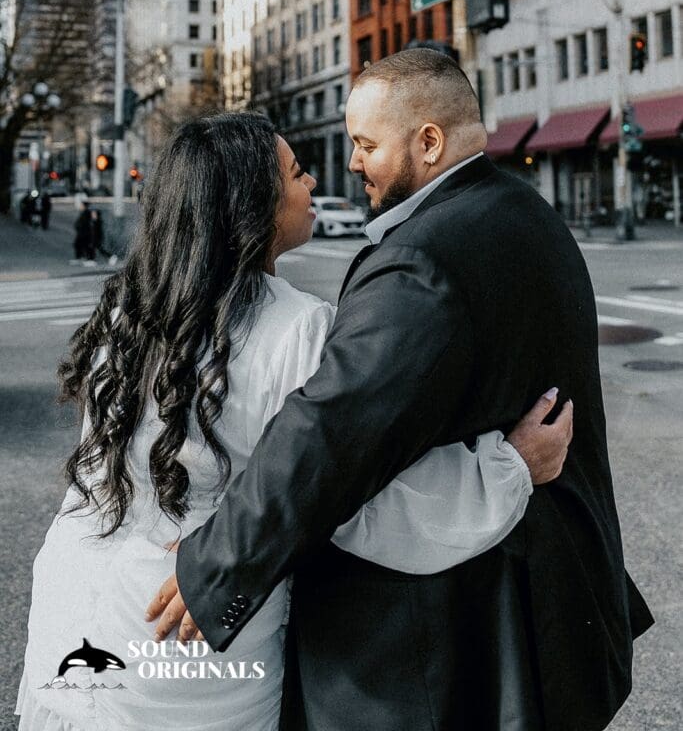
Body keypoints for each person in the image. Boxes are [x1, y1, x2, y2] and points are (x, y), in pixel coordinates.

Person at [16, 112, 569, 731]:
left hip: (75, 597)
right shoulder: (295, 327)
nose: (311, 184)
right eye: (296, 172)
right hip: (187, 619)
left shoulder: (126, 305)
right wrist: (509, 468)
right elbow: (348, 488)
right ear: (251, 202)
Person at [153, 52, 653, 731]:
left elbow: (328, 431)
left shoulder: (422, 258)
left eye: (364, 145)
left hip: (456, 642)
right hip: (549, 602)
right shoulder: (521, 211)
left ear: (427, 141)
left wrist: (215, 568)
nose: (351, 165)